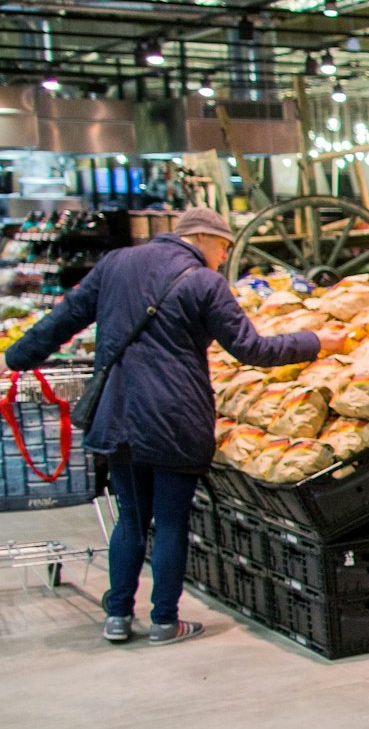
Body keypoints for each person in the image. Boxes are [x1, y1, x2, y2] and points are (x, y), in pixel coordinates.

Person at [2, 208, 338, 645]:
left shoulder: (116, 263)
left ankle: (118, 616)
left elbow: (64, 320)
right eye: (223, 247)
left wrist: (17, 358)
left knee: (131, 520)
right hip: (176, 418)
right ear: (202, 238)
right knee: (172, 522)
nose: (223, 257)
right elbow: (251, 349)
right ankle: (165, 620)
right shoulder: (204, 282)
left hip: (119, 414)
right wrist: (315, 341)